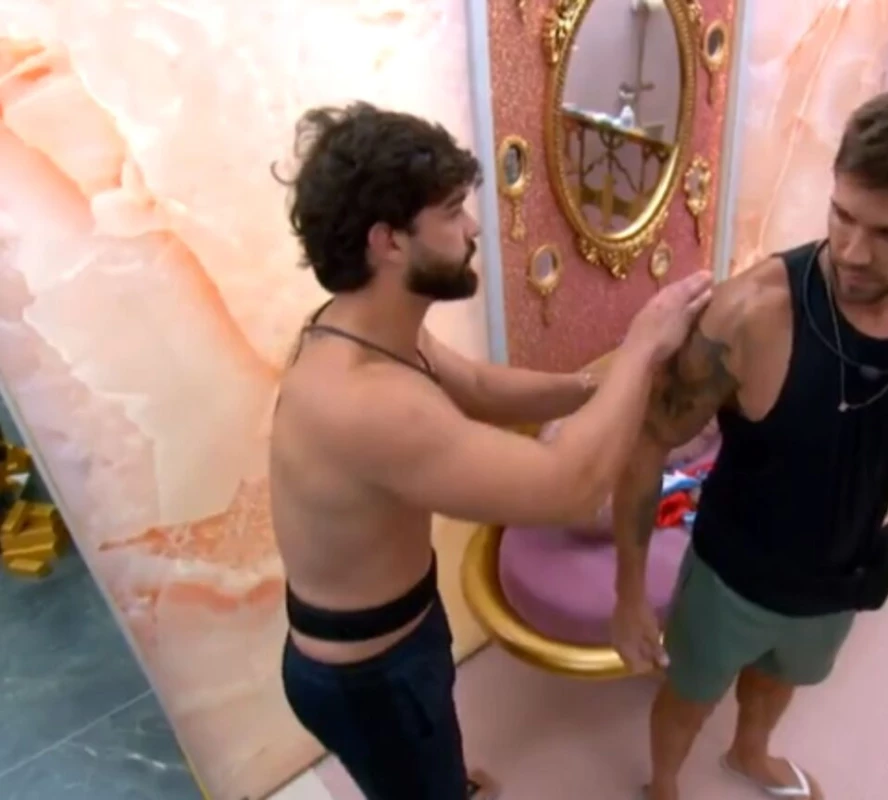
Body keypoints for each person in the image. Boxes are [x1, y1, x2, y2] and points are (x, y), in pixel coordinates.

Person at [268, 102, 712, 800]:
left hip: (402, 633)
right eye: (452, 213)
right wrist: (643, 347)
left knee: (433, 760)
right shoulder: (366, 402)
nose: (473, 228)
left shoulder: (366, 328)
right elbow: (569, 487)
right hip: (369, 678)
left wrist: (593, 385)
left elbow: (477, 387)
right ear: (389, 242)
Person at [610, 86, 888, 800]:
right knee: (691, 694)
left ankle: (749, 753)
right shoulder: (752, 314)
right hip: (732, 573)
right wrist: (629, 593)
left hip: (842, 571)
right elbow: (647, 442)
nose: (852, 252)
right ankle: (662, 786)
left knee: (782, 679)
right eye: (842, 215)